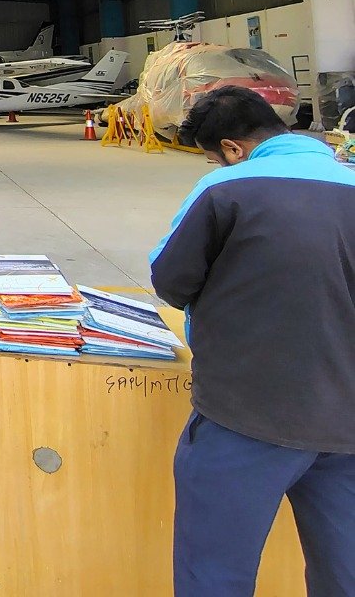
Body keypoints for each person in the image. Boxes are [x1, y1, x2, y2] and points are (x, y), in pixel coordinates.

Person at [151, 85, 355, 596]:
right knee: (345, 572)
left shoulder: (226, 188)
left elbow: (171, 280)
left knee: (214, 573)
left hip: (247, 415)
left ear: (232, 148)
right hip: (347, 420)